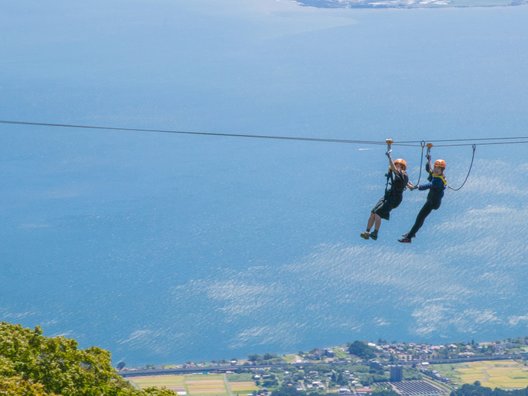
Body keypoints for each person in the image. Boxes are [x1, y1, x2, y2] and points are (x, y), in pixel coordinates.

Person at [360, 152, 414, 241]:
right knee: (373, 212)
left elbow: (394, 169)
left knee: (378, 213)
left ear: (403, 167)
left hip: (394, 198)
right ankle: (367, 231)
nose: (396, 167)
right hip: (388, 195)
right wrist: (410, 186)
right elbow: (405, 183)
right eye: (396, 165)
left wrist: (389, 157)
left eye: (398, 165)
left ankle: (375, 233)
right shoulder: (400, 175)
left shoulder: (402, 174)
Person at [398, 156, 447, 243]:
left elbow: (429, 185)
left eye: (438, 168)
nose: (435, 169)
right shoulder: (436, 175)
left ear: (442, 170)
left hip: (433, 203)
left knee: (420, 218)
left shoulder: (438, 180)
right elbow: (428, 169)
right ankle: (412, 233)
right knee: (420, 218)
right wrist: (428, 160)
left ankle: (409, 237)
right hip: (431, 201)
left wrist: (418, 186)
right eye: (435, 167)